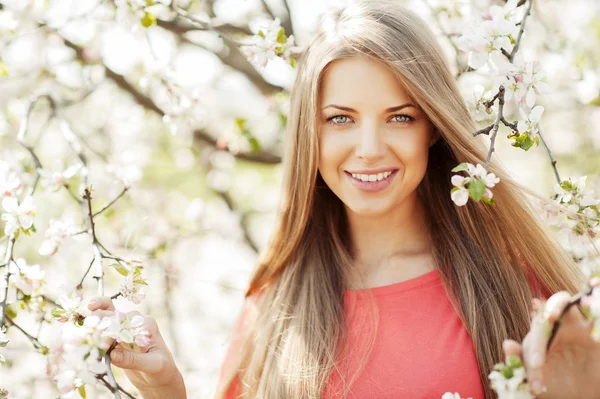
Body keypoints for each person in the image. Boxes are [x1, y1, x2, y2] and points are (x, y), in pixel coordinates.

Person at [88, 1, 600, 398]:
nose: (370, 149)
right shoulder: (275, 302)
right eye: (341, 119)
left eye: (401, 116)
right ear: (310, 133)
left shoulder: (514, 286)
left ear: (433, 129)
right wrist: (165, 390)